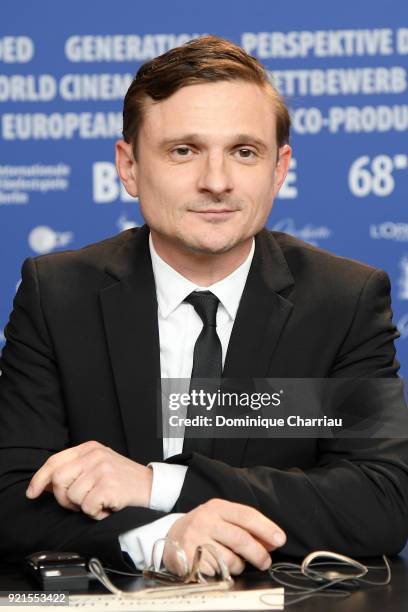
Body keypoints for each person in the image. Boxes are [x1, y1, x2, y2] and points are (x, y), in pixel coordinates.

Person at [0, 35, 407, 576]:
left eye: (244, 152)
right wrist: (161, 537)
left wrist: (157, 484)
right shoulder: (58, 294)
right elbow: (11, 497)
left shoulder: (343, 300)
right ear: (128, 166)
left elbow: (381, 502)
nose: (216, 182)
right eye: (183, 150)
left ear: (279, 168)